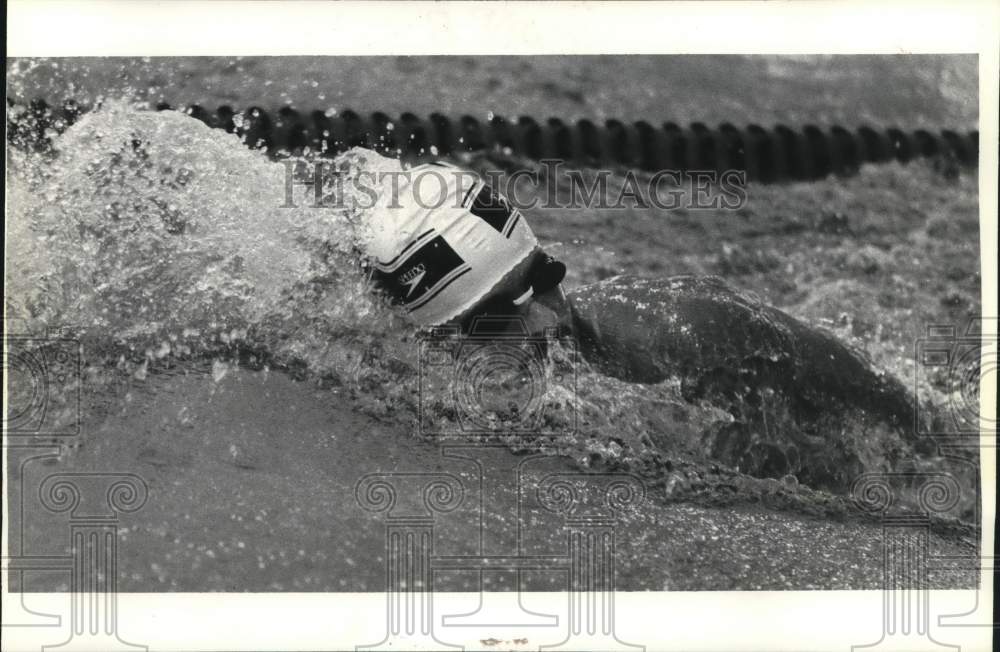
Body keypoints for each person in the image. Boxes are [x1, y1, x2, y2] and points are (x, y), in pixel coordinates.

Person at [361, 154, 922, 489]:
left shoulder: (682, 336)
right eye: (499, 316)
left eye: (545, 276)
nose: (548, 318)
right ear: (442, 337)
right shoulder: (405, 366)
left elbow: (879, 407)